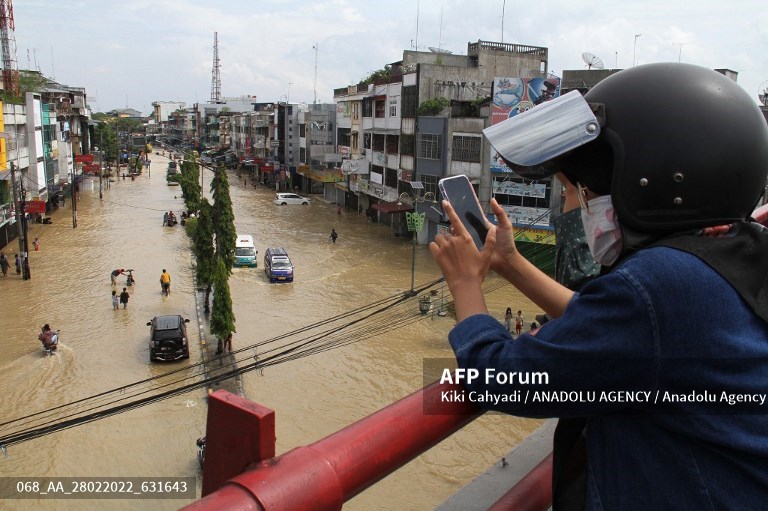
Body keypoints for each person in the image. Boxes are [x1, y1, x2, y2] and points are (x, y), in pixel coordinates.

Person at [429, 63, 768, 509]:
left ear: (652, 184)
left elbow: (500, 380)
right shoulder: (734, 252)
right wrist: (509, 263)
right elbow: (618, 330)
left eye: (582, 192)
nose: (578, 205)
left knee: (433, 385)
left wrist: (465, 284)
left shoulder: (660, 284)